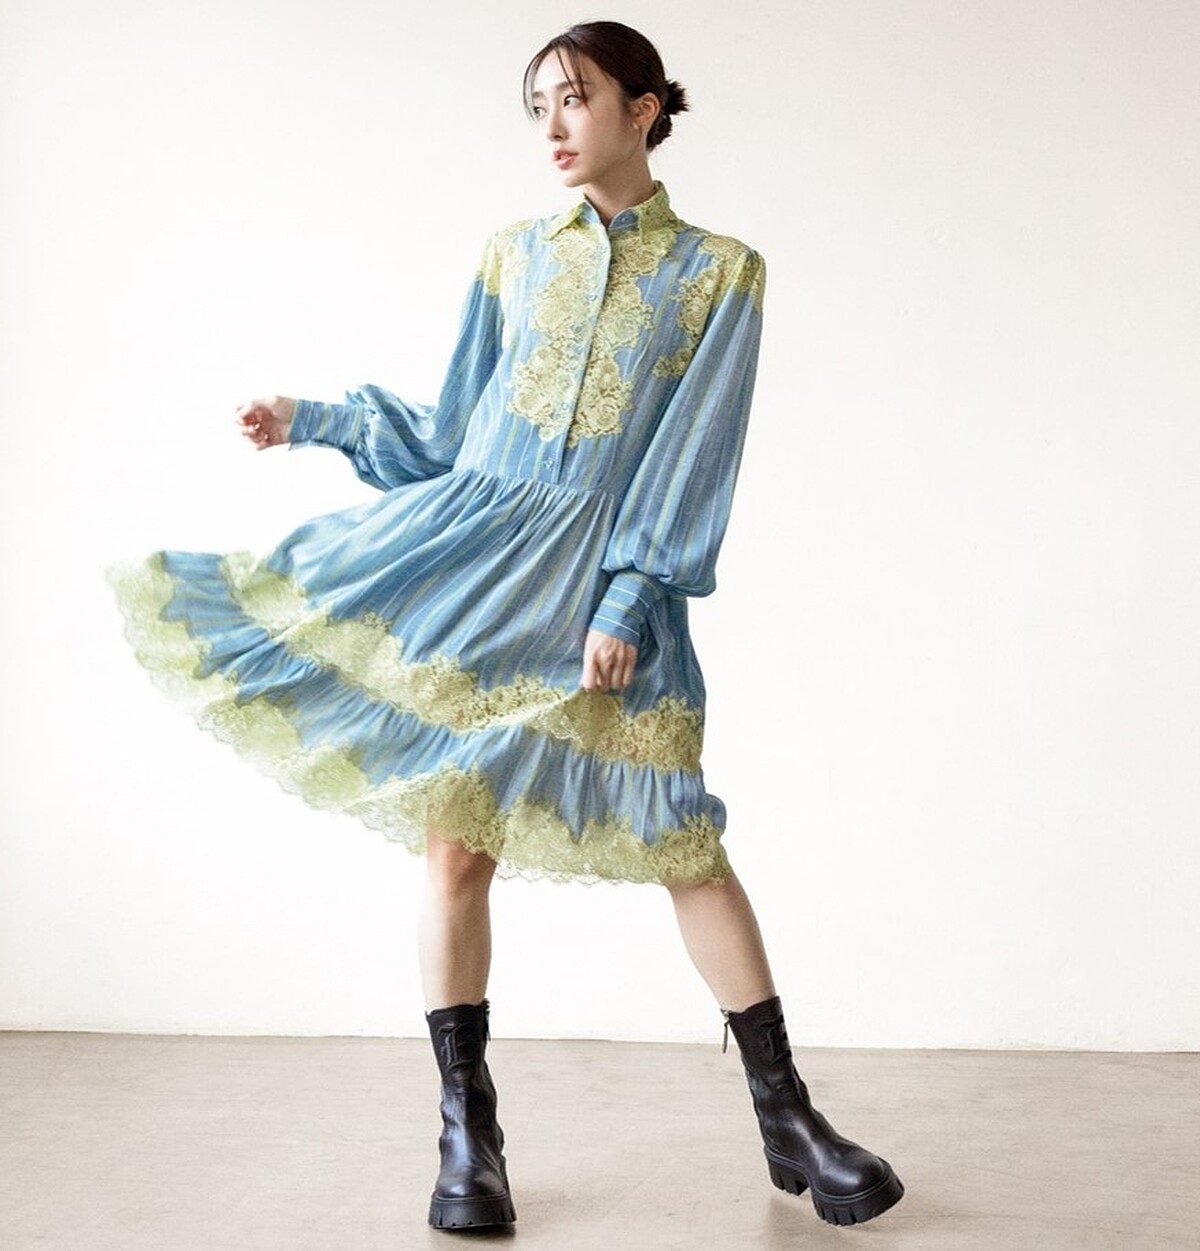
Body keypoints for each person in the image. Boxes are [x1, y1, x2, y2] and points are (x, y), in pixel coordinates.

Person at [108, 19, 904, 1234]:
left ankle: (789, 1119)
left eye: (575, 97)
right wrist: (313, 418)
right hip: (478, 575)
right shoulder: (512, 257)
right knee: (458, 851)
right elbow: (450, 433)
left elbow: (695, 458)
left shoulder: (721, 273)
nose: (553, 125)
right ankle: (466, 1138)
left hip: (602, 589)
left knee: (681, 839)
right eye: (539, 105)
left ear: (643, 108)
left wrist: (630, 596)